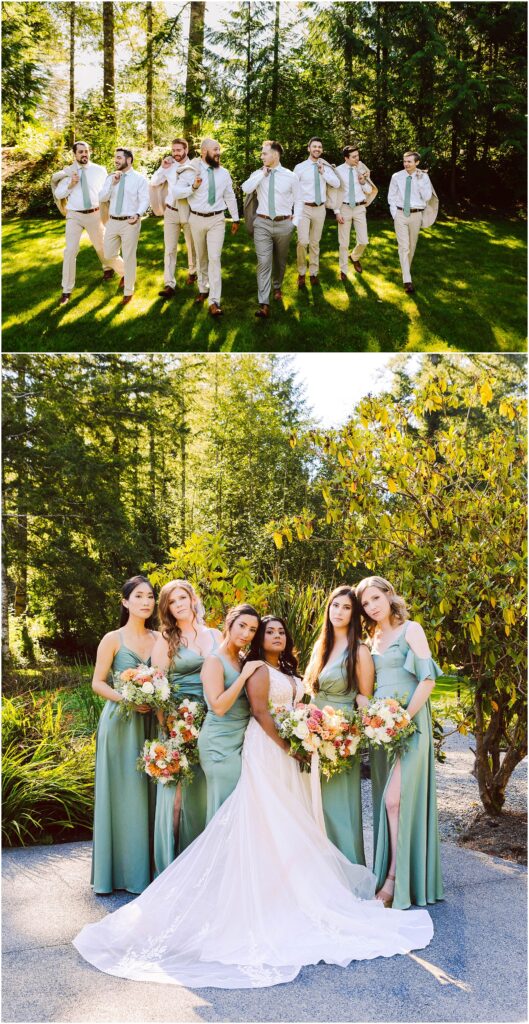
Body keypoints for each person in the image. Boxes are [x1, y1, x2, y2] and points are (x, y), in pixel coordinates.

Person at [73, 606, 433, 989]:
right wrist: (289, 746)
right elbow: (259, 712)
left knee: (282, 819)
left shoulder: (285, 670)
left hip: (285, 747)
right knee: (259, 815)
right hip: (265, 747)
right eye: (264, 631)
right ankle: (241, 896)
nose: (271, 635)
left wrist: (308, 731)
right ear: (243, 632)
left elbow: (294, 707)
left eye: (277, 631)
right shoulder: (255, 668)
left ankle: (281, 888)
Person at [356, 576, 444, 911]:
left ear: (390, 596)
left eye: (376, 598)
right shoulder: (373, 637)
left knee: (395, 800)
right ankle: (393, 873)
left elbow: (428, 678)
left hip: (410, 723)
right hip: (383, 728)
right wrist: (374, 719)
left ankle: (394, 879)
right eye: (366, 603)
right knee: (389, 801)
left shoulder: (411, 629)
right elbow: (368, 686)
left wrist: (404, 717)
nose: (372, 606)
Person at [90, 576, 159, 895]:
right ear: (125, 601)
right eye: (139, 596)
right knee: (125, 794)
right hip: (120, 723)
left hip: (152, 723)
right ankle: (117, 873)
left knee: (151, 791)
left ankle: (149, 870)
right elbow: (98, 683)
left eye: (150, 596)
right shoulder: (112, 638)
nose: (146, 602)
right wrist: (126, 697)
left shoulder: (160, 638)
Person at [150, 580, 222, 874]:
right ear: (167, 608)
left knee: (206, 791)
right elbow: (157, 687)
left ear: (193, 599)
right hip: (178, 720)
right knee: (177, 795)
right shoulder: (166, 640)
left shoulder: (216, 634)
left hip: (215, 719)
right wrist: (168, 727)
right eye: (171, 601)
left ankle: (205, 866)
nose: (178, 604)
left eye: (183, 597)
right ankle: (172, 867)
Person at [305, 585, 374, 866]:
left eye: (346, 607)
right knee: (315, 805)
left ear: (354, 614)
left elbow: (365, 699)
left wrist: (344, 733)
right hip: (313, 734)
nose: (339, 612)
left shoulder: (359, 651)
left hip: (340, 737)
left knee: (338, 806)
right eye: (335, 605)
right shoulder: (321, 646)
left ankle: (348, 872)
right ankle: (321, 872)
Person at [198, 604, 261, 820]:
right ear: (229, 623)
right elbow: (219, 706)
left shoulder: (243, 658)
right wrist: (243, 677)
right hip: (219, 743)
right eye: (242, 626)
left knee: (240, 812)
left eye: (252, 630)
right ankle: (215, 855)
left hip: (242, 741)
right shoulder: (214, 660)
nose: (246, 634)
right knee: (223, 812)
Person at [52, 141, 123, 305]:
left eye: (86, 151)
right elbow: (58, 193)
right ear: (74, 155)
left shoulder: (99, 170)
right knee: (70, 251)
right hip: (74, 215)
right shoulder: (69, 172)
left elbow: (106, 192)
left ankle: (120, 272)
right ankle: (66, 291)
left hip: (94, 213)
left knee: (102, 247)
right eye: (80, 152)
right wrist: (71, 185)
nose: (84, 154)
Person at [179, 138, 240, 317]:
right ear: (204, 151)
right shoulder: (191, 171)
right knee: (201, 257)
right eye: (215, 149)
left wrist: (235, 219)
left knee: (214, 258)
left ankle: (214, 300)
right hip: (196, 219)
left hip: (217, 220)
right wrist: (193, 186)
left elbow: (230, 196)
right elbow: (177, 191)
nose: (218, 152)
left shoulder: (224, 173)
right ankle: (203, 289)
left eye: (219, 149)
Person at [241, 141, 303, 318]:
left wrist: (295, 223)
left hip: (284, 224)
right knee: (263, 262)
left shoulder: (291, 176)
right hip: (262, 223)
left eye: (264, 153)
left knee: (280, 261)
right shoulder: (257, 174)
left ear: (275, 155)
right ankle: (264, 303)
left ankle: (277, 286)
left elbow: (299, 200)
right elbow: (245, 188)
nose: (261, 156)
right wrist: (262, 175)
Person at [99, 148, 150, 305]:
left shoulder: (139, 179)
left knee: (129, 256)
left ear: (129, 160)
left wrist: (138, 213)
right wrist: (112, 184)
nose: (116, 160)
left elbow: (144, 200)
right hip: (113, 221)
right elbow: (102, 197)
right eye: (116, 158)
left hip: (130, 222)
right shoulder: (111, 178)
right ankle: (125, 273)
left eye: (119, 158)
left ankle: (129, 291)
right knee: (108, 253)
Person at [149, 138, 197, 300]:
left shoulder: (194, 167)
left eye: (178, 150)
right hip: (170, 212)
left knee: (192, 245)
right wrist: (162, 168)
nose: (175, 153)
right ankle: (169, 283)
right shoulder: (169, 167)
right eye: (173, 150)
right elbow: (154, 182)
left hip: (188, 211)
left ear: (186, 150)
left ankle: (193, 272)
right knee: (169, 249)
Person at [293, 137, 340, 288]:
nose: (317, 149)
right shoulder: (300, 167)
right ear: (309, 148)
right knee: (302, 242)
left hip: (320, 209)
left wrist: (323, 172)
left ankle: (313, 272)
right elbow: (292, 188)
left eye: (319, 147)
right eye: (314, 146)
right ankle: (301, 273)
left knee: (314, 243)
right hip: (304, 209)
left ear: (322, 149)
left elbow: (337, 183)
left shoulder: (325, 167)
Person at [387, 151, 434, 294]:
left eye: (409, 162)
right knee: (404, 246)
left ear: (417, 163)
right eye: (404, 161)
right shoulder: (397, 176)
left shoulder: (424, 177)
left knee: (412, 246)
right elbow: (391, 196)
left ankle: (405, 269)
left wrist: (420, 180)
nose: (406, 164)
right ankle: (407, 280)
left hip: (416, 215)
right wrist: (395, 214)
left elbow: (427, 197)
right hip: (400, 214)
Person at [332, 146, 376, 279]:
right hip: (344, 208)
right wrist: (337, 212)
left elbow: (369, 190)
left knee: (364, 241)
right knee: (343, 243)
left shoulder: (362, 169)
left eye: (358, 155)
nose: (357, 158)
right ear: (346, 158)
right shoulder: (338, 171)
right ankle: (343, 270)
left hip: (359, 208)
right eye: (354, 157)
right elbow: (334, 193)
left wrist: (363, 182)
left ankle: (354, 256)